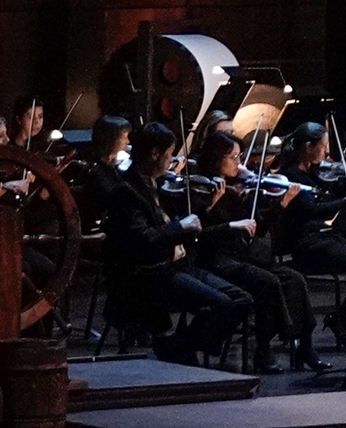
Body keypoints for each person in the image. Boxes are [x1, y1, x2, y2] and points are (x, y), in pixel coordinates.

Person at [102, 121, 253, 368]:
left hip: (178, 266)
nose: (173, 161)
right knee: (222, 304)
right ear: (154, 154)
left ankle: (181, 343)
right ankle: (182, 347)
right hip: (151, 275)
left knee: (242, 300)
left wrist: (203, 211)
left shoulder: (159, 185)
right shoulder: (127, 191)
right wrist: (179, 227)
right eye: (170, 154)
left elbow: (188, 227)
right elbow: (143, 240)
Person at [190, 133, 321, 369]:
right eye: (233, 158)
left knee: (294, 279)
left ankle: (305, 344)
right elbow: (199, 234)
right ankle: (263, 349)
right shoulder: (201, 189)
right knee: (267, 282)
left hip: (244, 257)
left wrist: (281, 205)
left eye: (239, 157)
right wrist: (211, 206)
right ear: (215, 158)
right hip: (218, 261)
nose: (239, 164)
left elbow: (257, 230)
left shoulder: (242, 189)